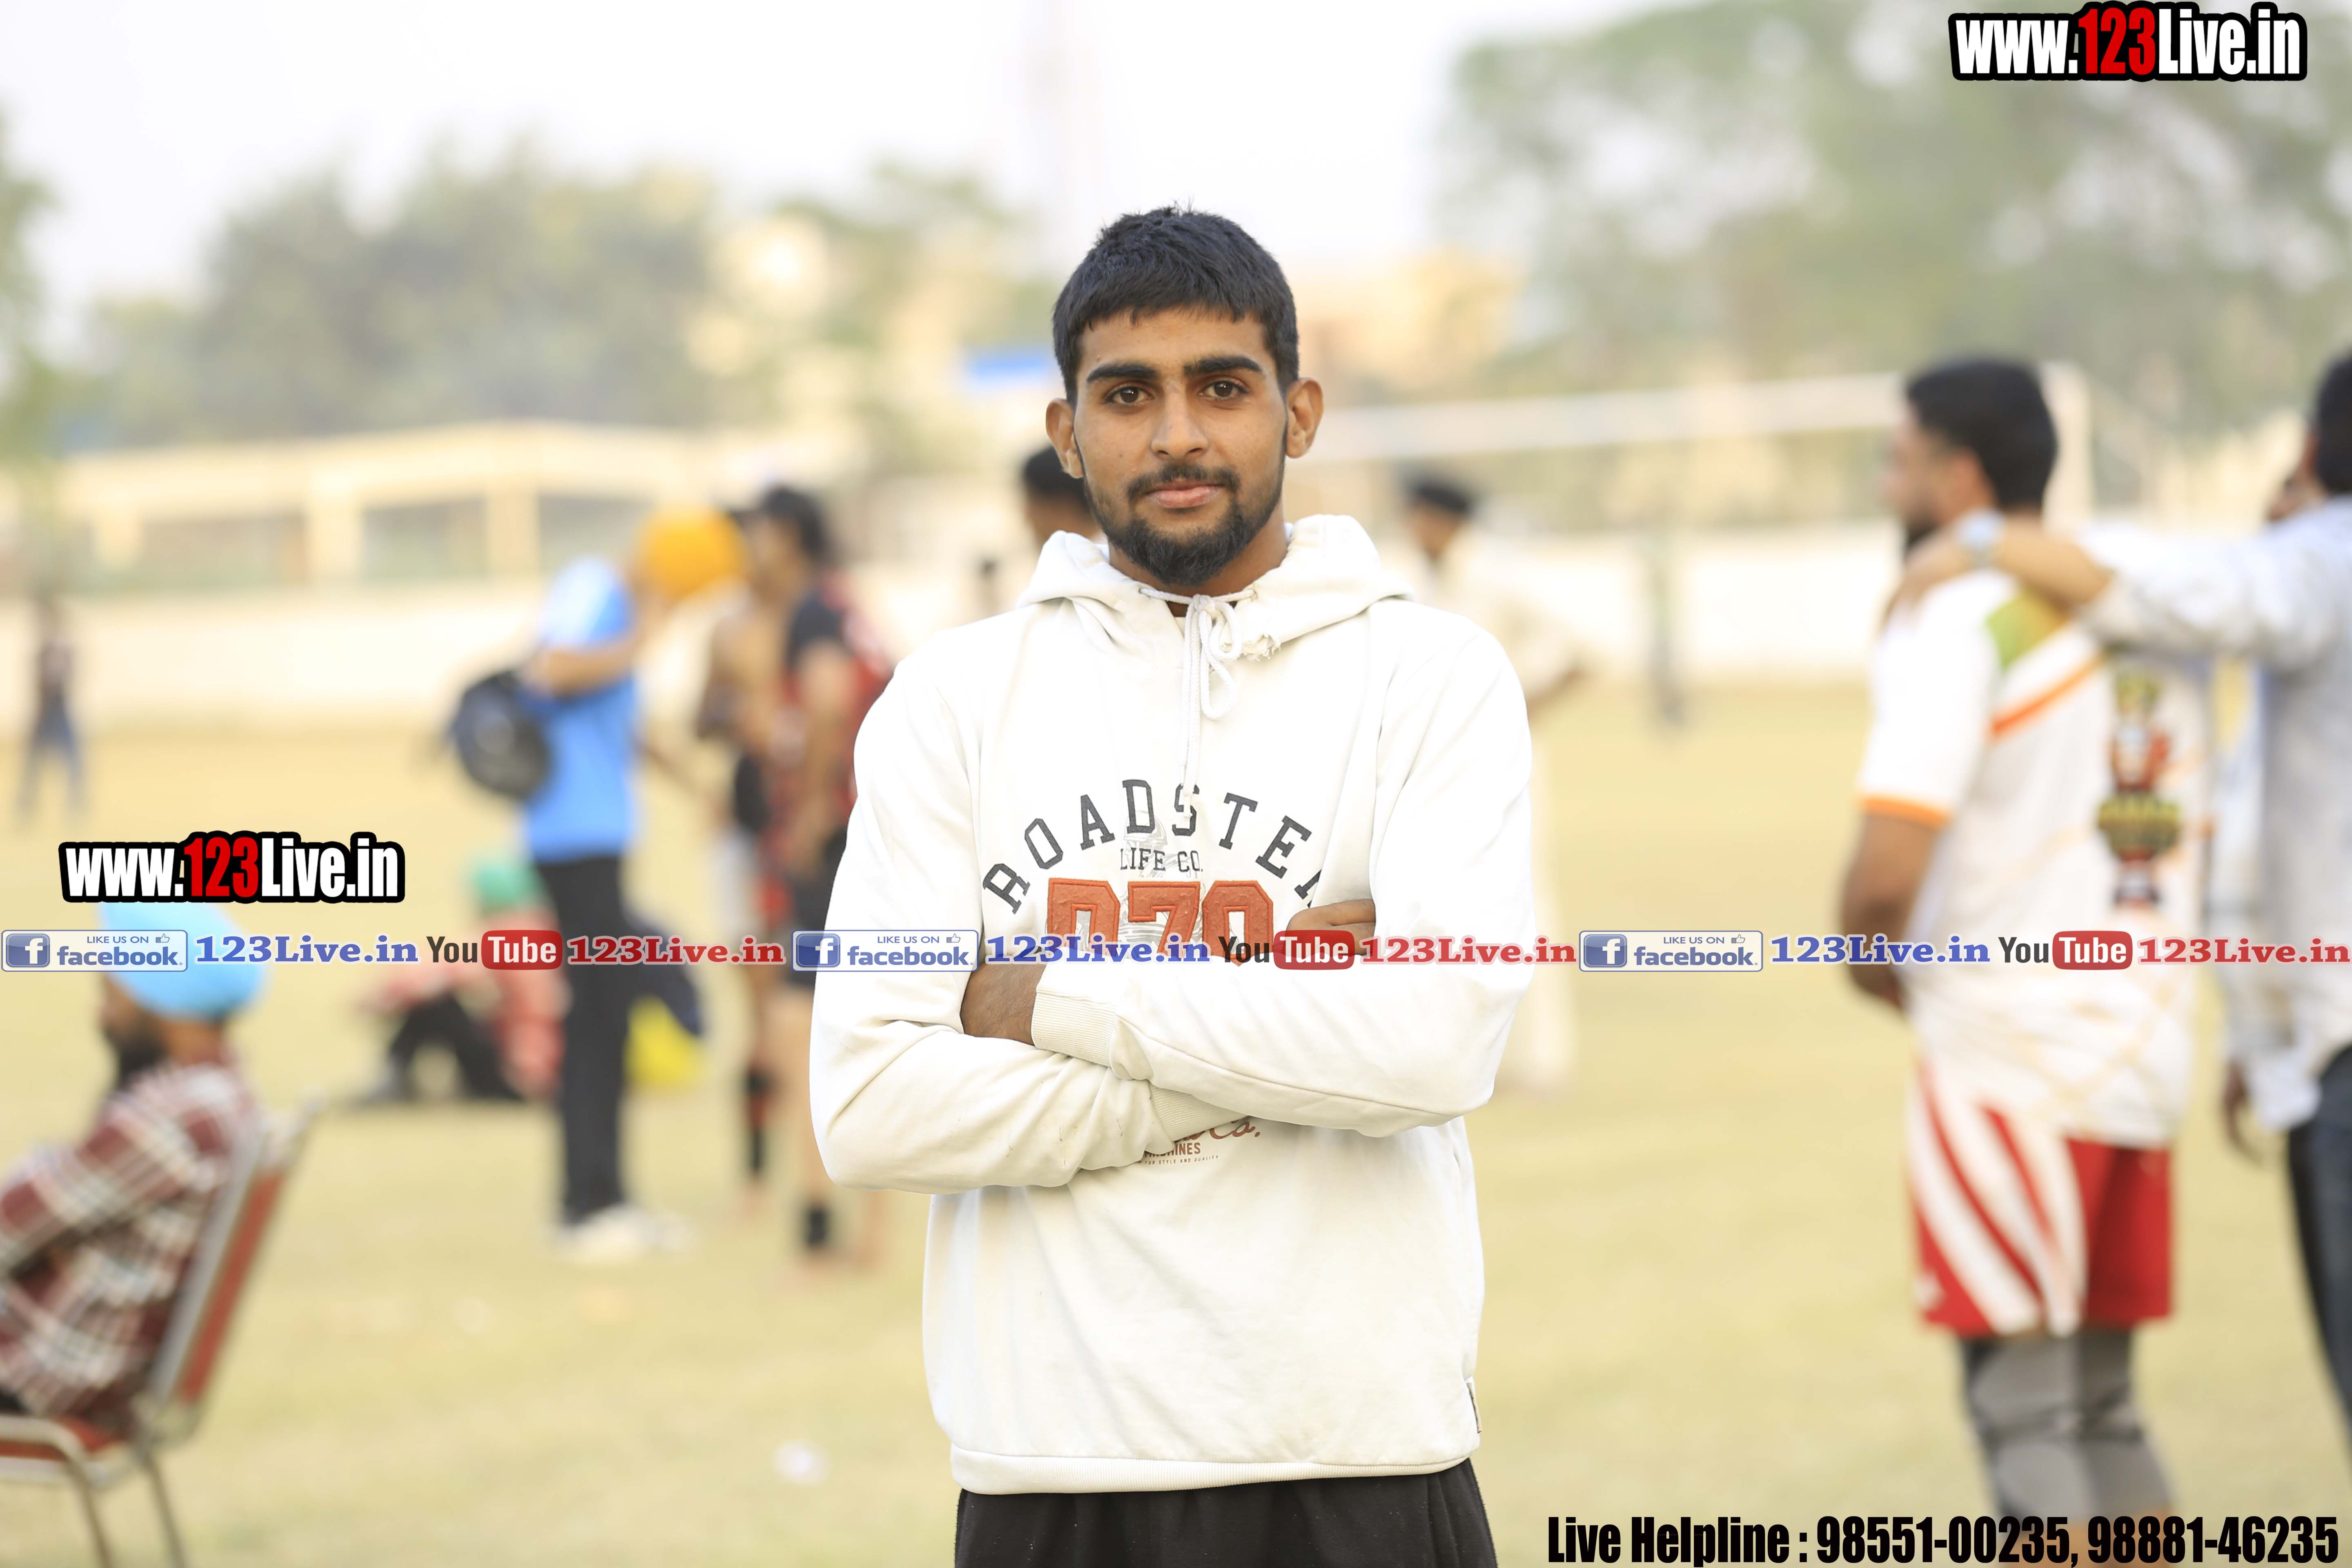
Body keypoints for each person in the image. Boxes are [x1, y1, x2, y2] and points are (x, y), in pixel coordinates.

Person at [812, 207, 1530, 1567]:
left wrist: (1048, 998)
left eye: (1224, 387)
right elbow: (871, 1109)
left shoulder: (1430, 678)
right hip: (1051, 1460)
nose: (1178, 434)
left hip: (1359, 1451)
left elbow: (1437, 1046)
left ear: (1299, 412)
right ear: (1067, 430)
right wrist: (1285, 1024)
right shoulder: (953, 699)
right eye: (1129, 394)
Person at [1897, 348, 2352, 1447]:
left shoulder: (2322, 560)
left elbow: (2178, 589)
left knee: (2034, 1416)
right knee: (2100, 1414)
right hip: (2206, 1040)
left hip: (2052, 1048)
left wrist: (1975, 542)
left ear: (2309, 452)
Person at [1840, 357, 2208, 1517]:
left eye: (1898, 459)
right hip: (2143, 1041)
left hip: (2009, 1055)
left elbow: (1884, 872)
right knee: (2103, 1408)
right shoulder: (2140, 595)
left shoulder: (1959, 615)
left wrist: (1870, 967)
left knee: (2025, 1415)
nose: (1884, 483)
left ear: (1958, 476)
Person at [519, 504, 743, 1262]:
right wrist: (642, 634)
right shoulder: (596, 589)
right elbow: (550, 671)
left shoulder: (616, 609)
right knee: (597, 1017)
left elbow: (625, 730)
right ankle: (587, 1207)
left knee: (606, 1014)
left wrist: (694, 787)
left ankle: (606, 1197)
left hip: (598, 839)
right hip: (570, 838)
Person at [0, 903, 265, 1422]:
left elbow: (10, 1225)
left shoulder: (169, 1120)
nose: (104, 1015)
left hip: (39, 1379)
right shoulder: (225, 1097)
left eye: (111, 991)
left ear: (160, 995)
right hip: (87, 1371)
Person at [734, 484, 893, 1264]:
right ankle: (867, 1232)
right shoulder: (845, 602)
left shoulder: (813, 613)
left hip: (830, 848)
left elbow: (829, 706)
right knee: (865, 1022)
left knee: (803, 1029)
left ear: (787, 535)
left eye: (757, 531)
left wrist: (807, 818)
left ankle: (819, 1231)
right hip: (871, 839)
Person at [1401, 474, 1581, 1096]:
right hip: (1436, 763)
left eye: (1419, 516)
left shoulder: (1497, 574)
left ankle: (1544, 1061)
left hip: (1507, 760)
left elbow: (1583, 649)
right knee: (1447, 905)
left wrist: (1522, 708)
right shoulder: (1416, 580)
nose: (1412, 529)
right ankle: (1479, 1059)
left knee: (1526, 898)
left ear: (1443, 519)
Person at [350, 855, 561, 1106]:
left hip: (519, 1076)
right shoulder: (554, 931)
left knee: (437, 1006)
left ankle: (393, 1084)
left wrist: (380, 998)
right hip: (558, 1073)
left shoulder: (507, 932)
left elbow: (433, 976)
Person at [16, 594, 82, 823]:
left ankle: (74, 805)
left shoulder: (59, 650)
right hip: (46, 709)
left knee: (68, 760)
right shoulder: (45, 650)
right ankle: (27, 806)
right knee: (36, 762)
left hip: (58, 707)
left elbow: (67, 676)